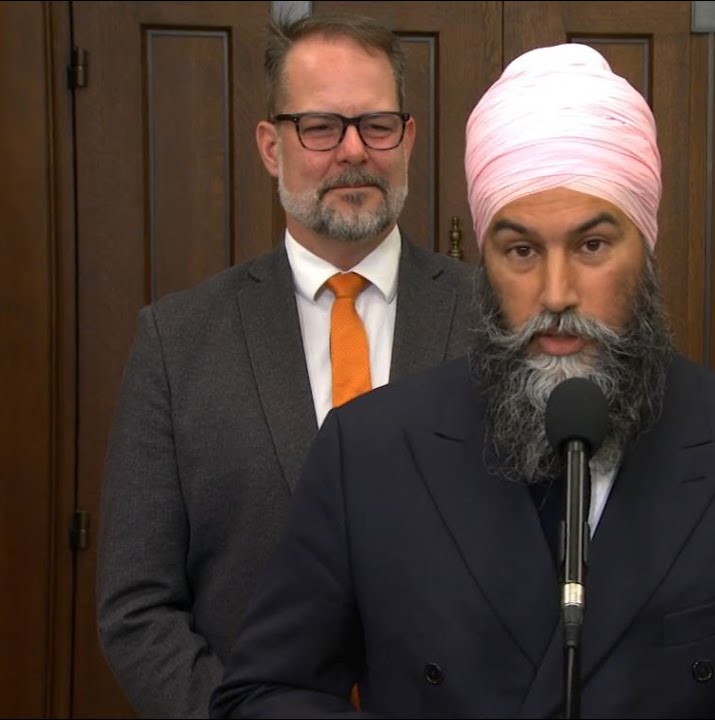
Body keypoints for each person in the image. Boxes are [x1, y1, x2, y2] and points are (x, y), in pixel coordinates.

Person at [210, 43, 715, 719]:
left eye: (592, 246)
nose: (556, 291)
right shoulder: (367, 453)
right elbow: (266, 692)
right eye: (519, 251)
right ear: (484, 260)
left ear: (647, 248)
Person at [96, 13, 476, 719]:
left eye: (377, 124)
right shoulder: (176, 343)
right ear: (271, 146)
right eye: (321, 127)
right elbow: (135, 604)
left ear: (409, 138)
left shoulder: (491, 322)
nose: (354, 151)